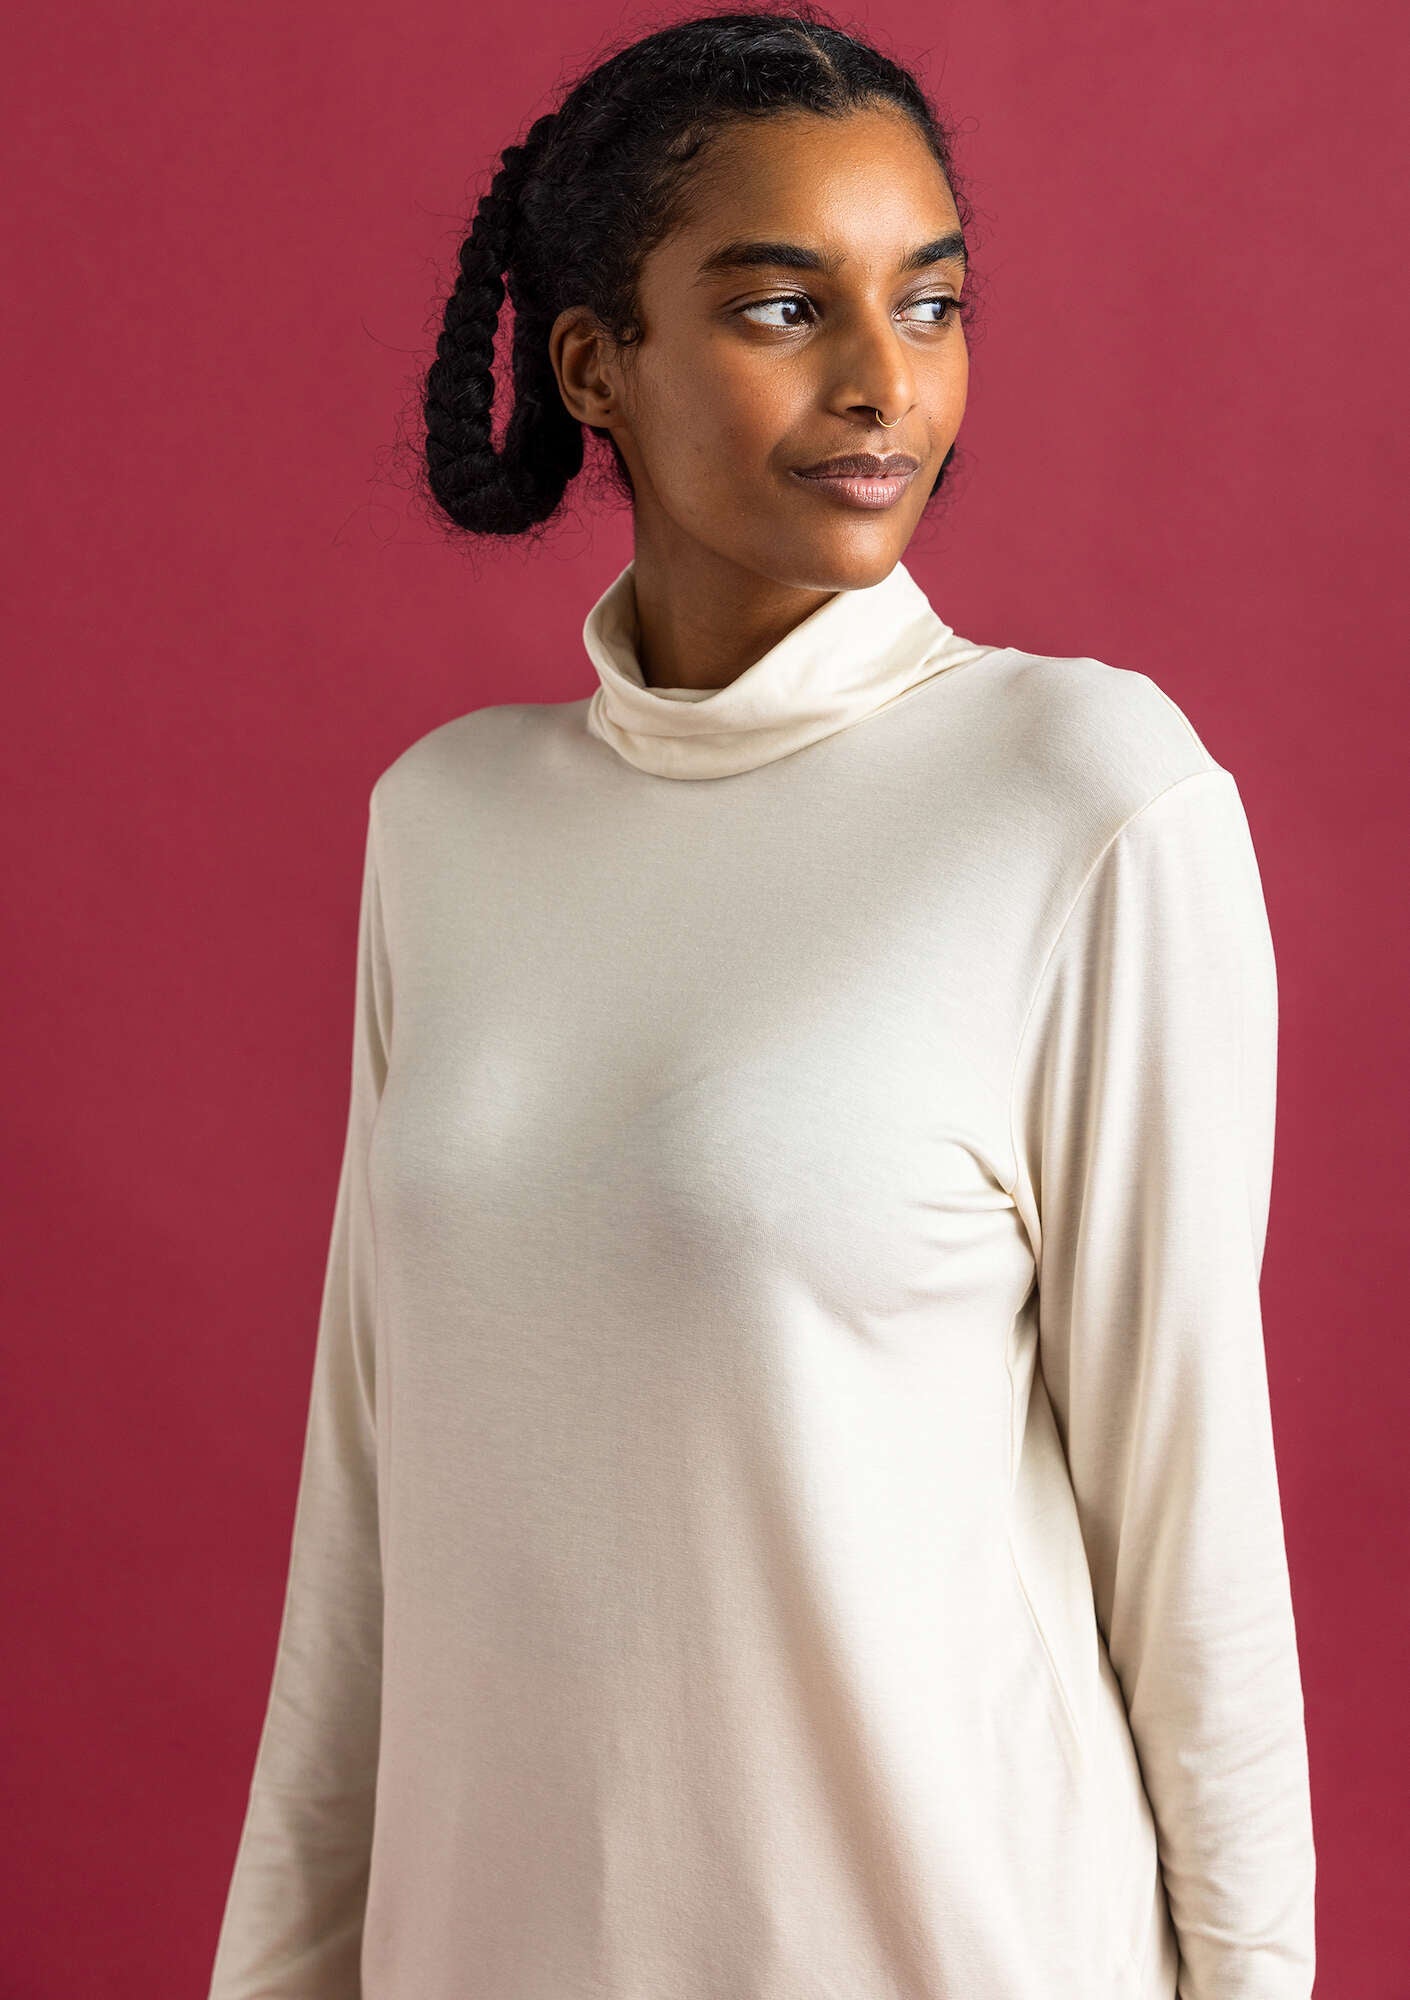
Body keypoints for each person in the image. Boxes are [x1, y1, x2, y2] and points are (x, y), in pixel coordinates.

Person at [206, 10, 1317, 1998]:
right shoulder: (449, 827)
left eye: (931, 301)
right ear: (592, 366)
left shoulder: (1082, 796)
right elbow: (365, 1525)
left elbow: (1193, 1521)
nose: (885, 380)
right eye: (784, 306)